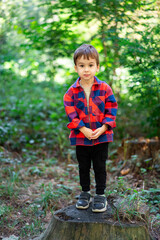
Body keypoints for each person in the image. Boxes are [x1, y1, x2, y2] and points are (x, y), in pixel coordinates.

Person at [63, 44, 118, 212]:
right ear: (75, 68)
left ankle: (100, 195)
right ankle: (85, 193)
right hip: (81, 137)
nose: (86, 69)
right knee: (83, 166)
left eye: (90, 65)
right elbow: (71, 113)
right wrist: (83, 129)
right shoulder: (71, 92)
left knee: (100, 166)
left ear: (97, 67)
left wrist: (103, 127)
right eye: (82, 66)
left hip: (101, 135)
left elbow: (112, 108)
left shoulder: (105, 88)